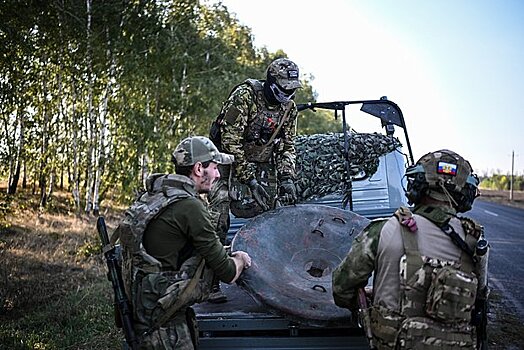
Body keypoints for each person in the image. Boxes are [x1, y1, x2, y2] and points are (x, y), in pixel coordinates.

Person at [332, 149, 489, 349]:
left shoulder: (384, 229)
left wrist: (370, 303)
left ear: (415, 185)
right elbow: (478, 300)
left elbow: (342, 288)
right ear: (466, 195)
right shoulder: (474, 241)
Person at [112, 136, 251, 349]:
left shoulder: (157, 195)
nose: (218, 174)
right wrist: (241, 258)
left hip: (146, 306)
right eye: (214, 167)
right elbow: (229, 273)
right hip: (165, 320)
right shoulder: (190, 207)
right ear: (198, 169)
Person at [206, 57, 302, 303]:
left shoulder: (289, 109)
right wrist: (249, 180)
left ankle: (272, 279)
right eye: (283, 90)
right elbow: (230, 142)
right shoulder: (245, 96)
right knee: (218, 218)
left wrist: (287, 177)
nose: (287, 95)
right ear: (271, 83)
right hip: (226, 161)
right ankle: (210, 282)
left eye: (292, 91)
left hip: (261, 161)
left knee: (273, 216)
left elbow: (288, 146)